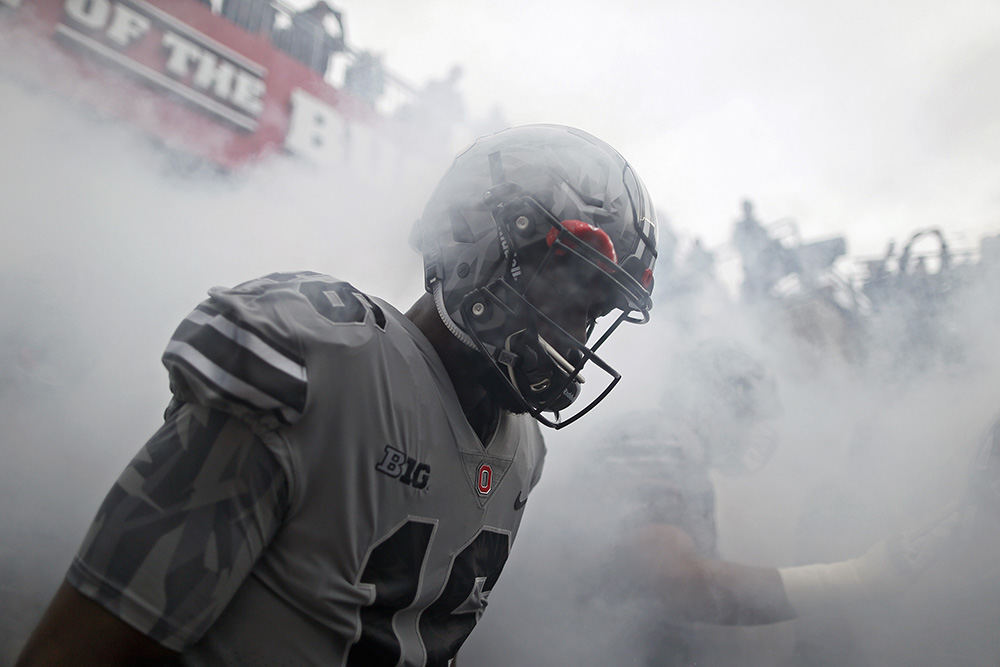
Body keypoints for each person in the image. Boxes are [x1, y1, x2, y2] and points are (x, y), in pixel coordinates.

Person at [15, 124, 659, 666]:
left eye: (596, 309)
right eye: (568, 285)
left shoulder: (522, 451)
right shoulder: (317, 356)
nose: (577, 334)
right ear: (481, 242)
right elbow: (90, 640)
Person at [271, 0, 347, 78]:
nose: (321, 14)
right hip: (291, 63)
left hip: (312, 75)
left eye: (324, 11)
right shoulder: (303, 22)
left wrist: (340, 23)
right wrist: (311, 10)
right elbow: (295, 18)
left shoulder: (324, 36)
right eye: (319, 10)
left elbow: (340, 47)